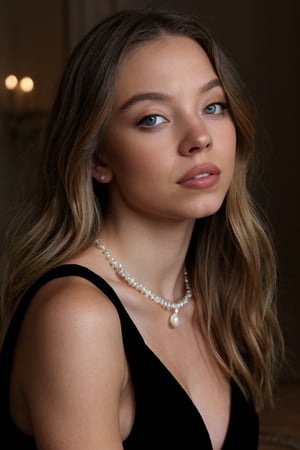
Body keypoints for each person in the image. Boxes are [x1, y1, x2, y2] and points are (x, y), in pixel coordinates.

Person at [0, 8, 284, 450]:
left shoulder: (212, 294)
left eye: (213, 106)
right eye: (153, 118)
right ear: (97, 159)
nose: (199, 137)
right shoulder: (77, 318)